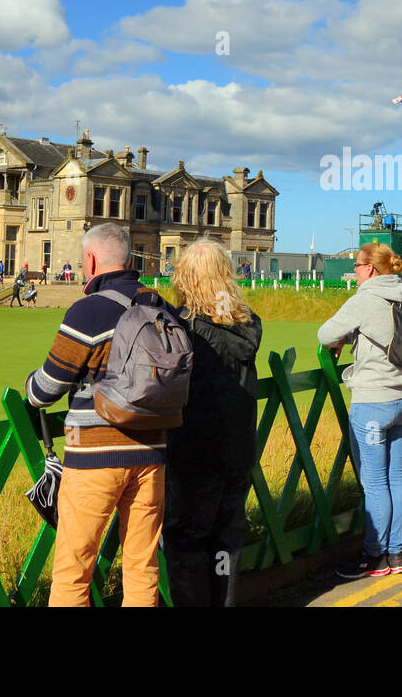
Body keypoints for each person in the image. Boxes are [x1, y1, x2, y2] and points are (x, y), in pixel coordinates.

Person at [25, 223, 166, 607]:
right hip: (153, 452)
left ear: (89, 261)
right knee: (142, 566)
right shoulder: (160, 306)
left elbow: (46, 389)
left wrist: (28, 386)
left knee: (73, 570)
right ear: (131, 259)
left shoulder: (88, 311)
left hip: (94, 456)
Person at [165, 240, 262, 606]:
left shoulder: (184, 326)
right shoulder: (248, 322)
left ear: (186, 276)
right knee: (226, 539)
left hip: (194, 450)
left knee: (187, 540)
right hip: (237, 447)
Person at [318, 241, 402, 579]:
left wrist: (345, 337)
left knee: (374, 483)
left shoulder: (365, 298)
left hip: (373, 401)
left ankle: (374, 556)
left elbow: (326, 332)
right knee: (396, 478)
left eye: (357, 266)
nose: (355, 272)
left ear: (370, 269)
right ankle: (397, 554)